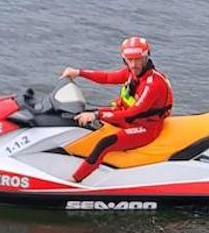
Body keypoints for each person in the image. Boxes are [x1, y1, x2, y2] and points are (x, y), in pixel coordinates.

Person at [60, 36, 173, 183]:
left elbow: (133, 112)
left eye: (138, 59)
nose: (133, 64)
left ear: (146, 58)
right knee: (79, 116)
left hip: (145, 128)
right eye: (129, 59)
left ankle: (74, 181)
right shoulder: (131, 73)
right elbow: (107, 77)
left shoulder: (153, 84)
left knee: (105, 143)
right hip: (128, 119)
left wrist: (97, 115)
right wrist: (79, 73)